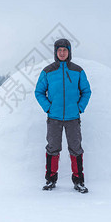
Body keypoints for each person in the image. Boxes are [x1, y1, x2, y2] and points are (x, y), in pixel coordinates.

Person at [35, 38, 92, 193]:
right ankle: (50, 180)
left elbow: (86, 91)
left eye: (64, 50)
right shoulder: (48, 71)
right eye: (59, 50)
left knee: (76, 148)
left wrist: (79, 107)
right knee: (53, 148)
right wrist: (48, 107)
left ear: (69, 52)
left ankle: (78, 181)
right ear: (55, 52)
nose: (62, 53)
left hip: (73, 118)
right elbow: (39, 92)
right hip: (54, 118)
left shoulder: (77, 71)